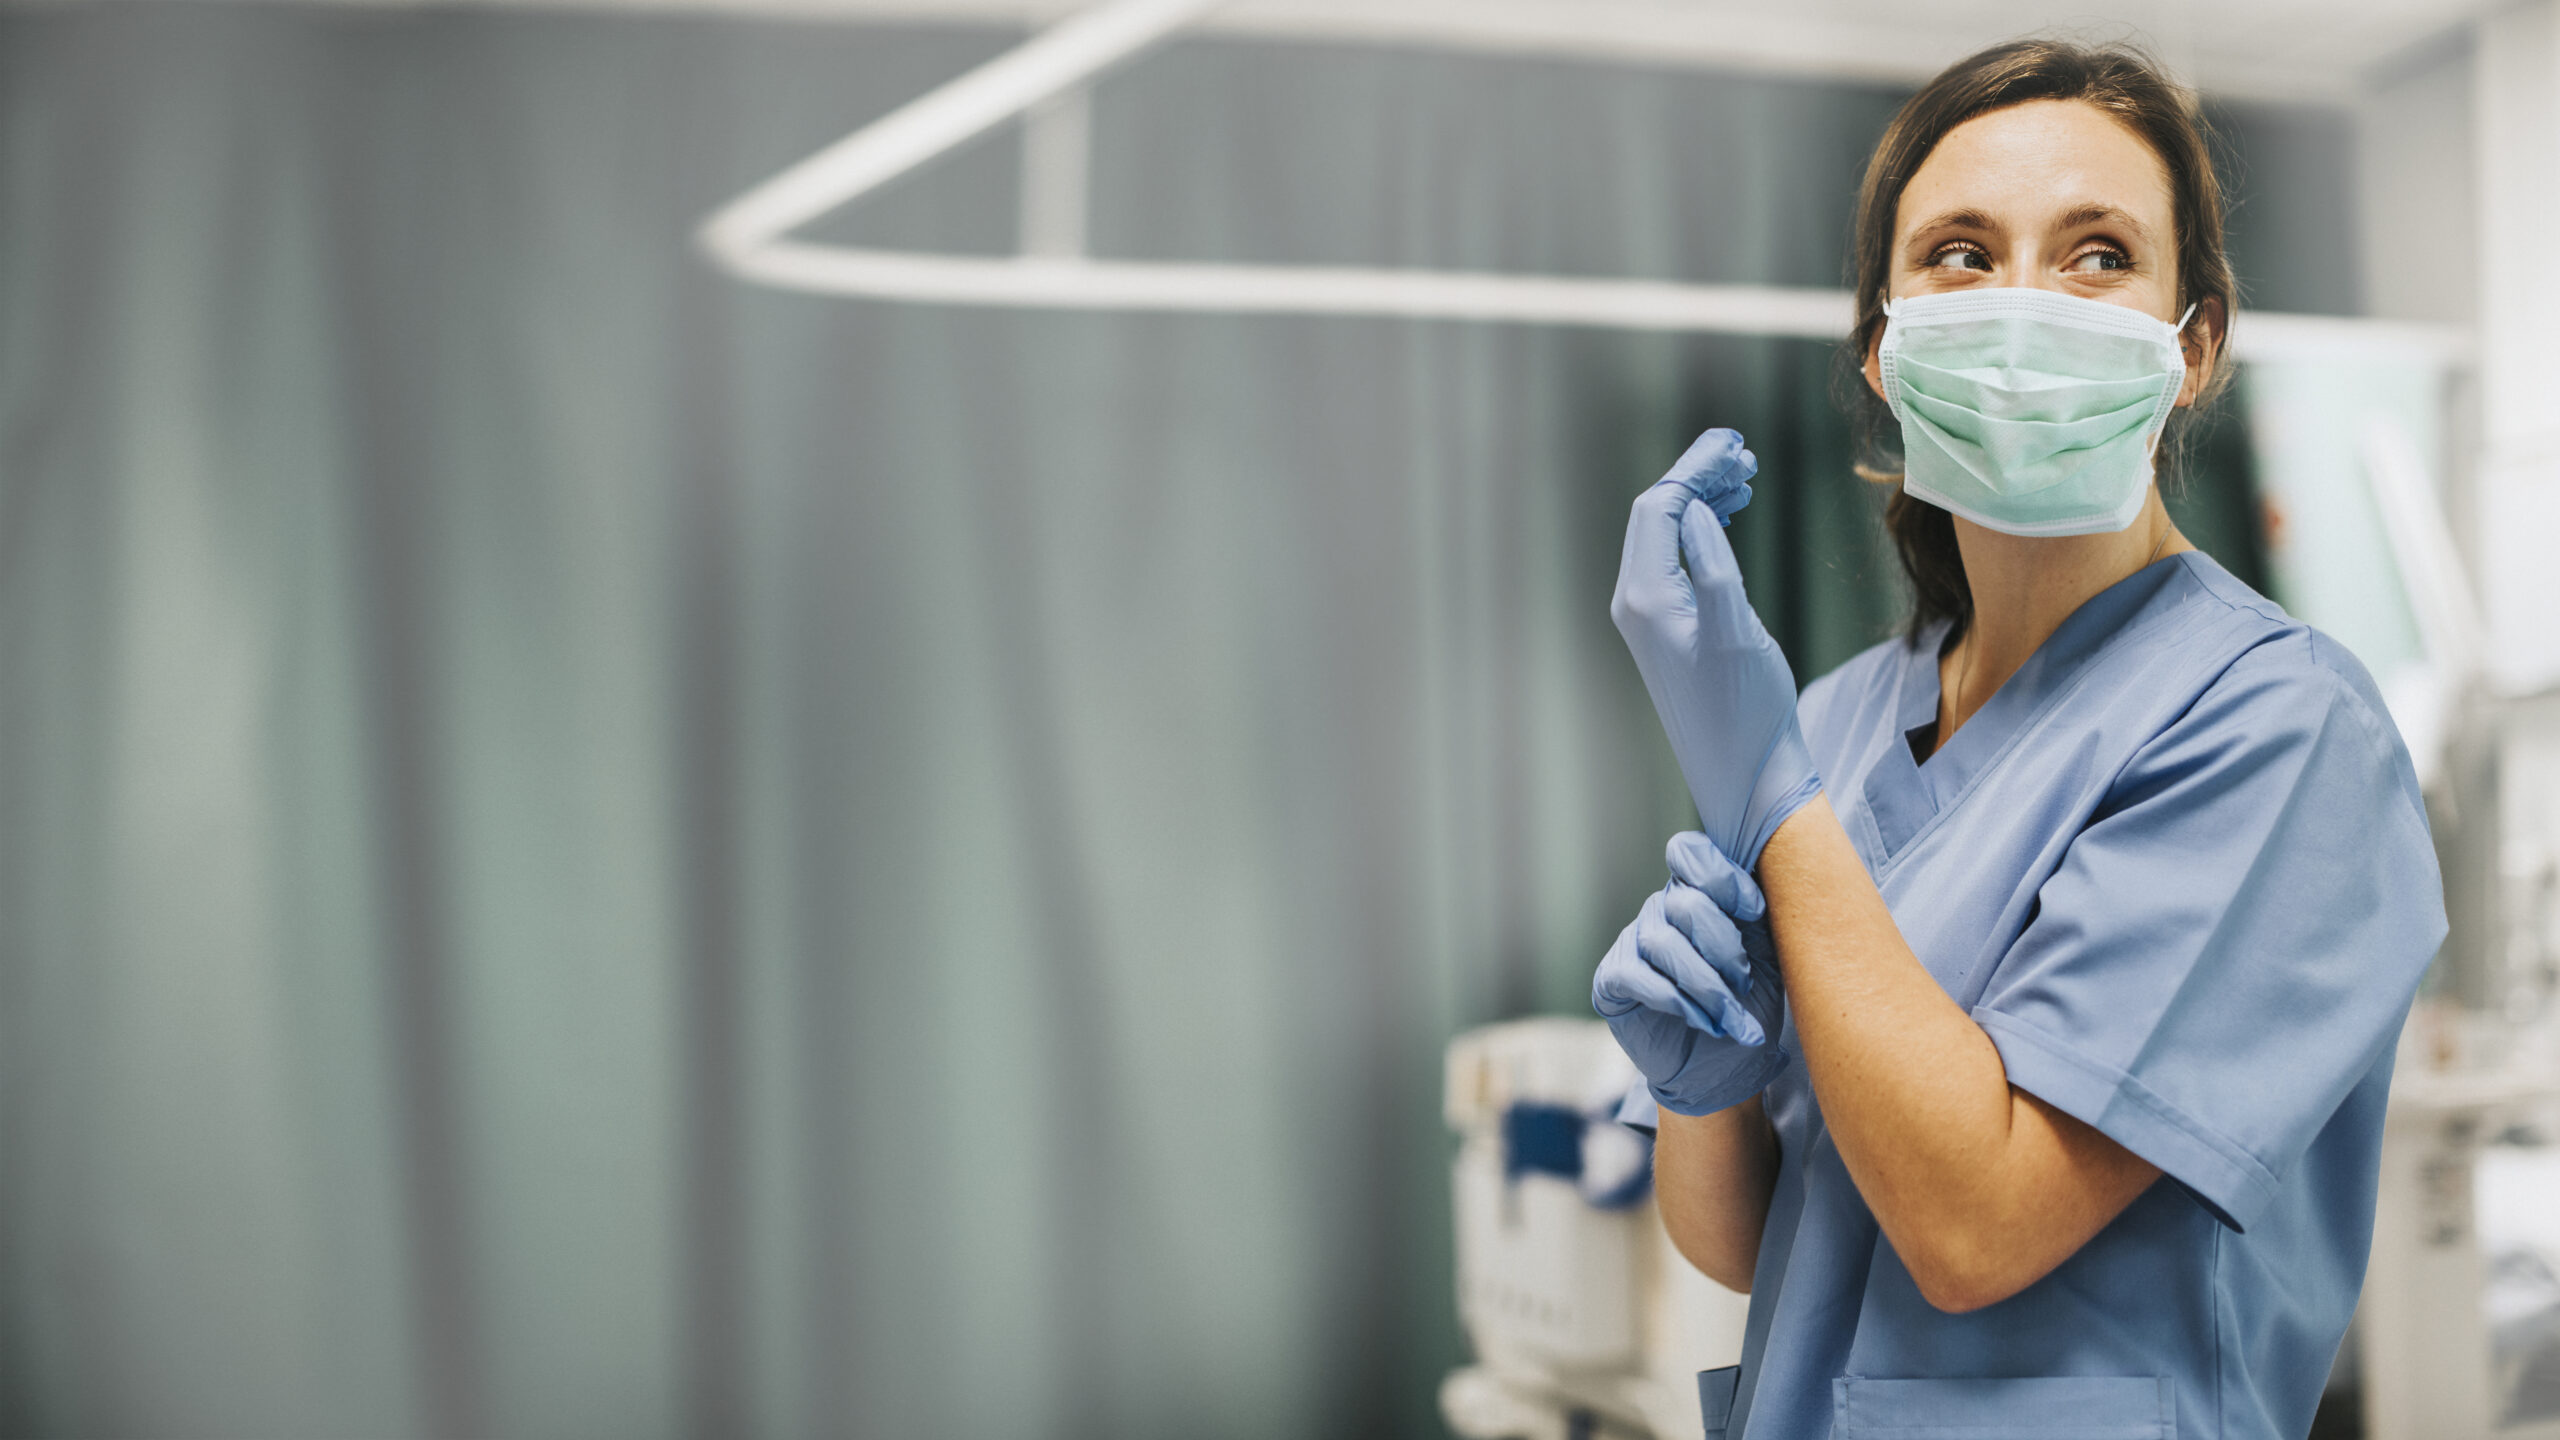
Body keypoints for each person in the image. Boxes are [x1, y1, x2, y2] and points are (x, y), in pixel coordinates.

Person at [1590, 39, 2447, 1440]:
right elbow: (1759, 1247)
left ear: (2195, 347)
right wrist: (1703, 1089)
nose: (2026, 304)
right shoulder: (1834, 722)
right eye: (1963, 255)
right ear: (1885, 350)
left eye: (2099, 254)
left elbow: (1973, 1227)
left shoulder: (2282, 728)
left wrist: (1776, 803)